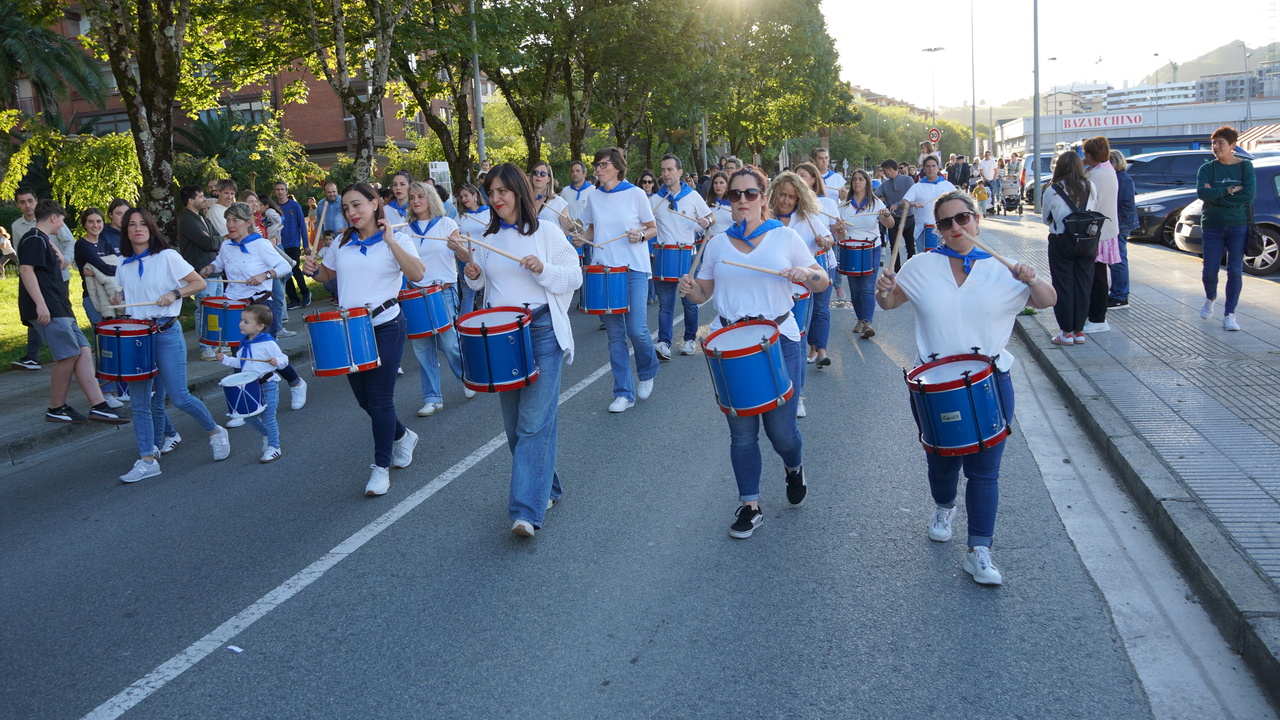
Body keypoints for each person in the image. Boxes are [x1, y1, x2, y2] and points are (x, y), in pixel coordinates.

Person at [876, 190, 1056, 585]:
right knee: (941, 463)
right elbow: (888, 303)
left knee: (985, 472)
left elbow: (1047, 301)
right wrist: (883, 287)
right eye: (946, 222)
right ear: (937, 229)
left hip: (990, 382)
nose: (956, 227)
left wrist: (1032, 277)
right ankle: (944, 506)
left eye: (963, 218)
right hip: (935, 386)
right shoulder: (922, 266)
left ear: (977, 219)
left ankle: (979, 550)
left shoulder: (1003, 267)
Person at [678, 167, 828, 539]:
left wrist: (804, 274)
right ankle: (750, 505)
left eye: (750, 193)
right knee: (742, 433)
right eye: (734, 194)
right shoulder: (717, 243)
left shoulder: (784, 236)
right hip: (731, 343)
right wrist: (690, 290)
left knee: (782, 433)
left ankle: (794, 467)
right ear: (728, 200)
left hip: (780, 339)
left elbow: (821, 280)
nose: (742, 200)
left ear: (763, 197)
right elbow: (704, 293)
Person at [448, 162, 582, 538]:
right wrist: (473, 275)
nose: (495, 198)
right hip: (502, 337)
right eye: (491, 192)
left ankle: (525, 512)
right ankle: (547, 488)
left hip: (541, 331)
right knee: (515, 428)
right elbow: (483, 285)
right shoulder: (486, 236)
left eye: (502, 191)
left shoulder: (546, 232)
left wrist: (542, 270)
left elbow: (574, 276)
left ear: (518, 191)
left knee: (533, 423)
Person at [302, 183, 425, 497]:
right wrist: (313, 270)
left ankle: (380, 468)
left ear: (374, 203)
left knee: (381, 399)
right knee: (365, 401)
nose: (351, 212)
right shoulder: (342, 240)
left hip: (386, 324)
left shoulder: (397, 238)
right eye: (346, 208)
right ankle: (403, 436)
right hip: (350, 329)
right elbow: (327, 275)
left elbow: (417, 274)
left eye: (357, 204)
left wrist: (391, 243)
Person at [114, 207, 231, 483]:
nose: (138, 229)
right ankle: (147, 460)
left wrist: (174, 293)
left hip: (166, 332)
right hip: (137, 337)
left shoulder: (167, 256)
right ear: (126, 231)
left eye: (143, 224)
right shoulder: (123, 263)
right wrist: (119, 301)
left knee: (179, 397)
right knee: (139, 403)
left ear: (151, 228)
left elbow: (198, 283)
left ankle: (215, 432)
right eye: (132, 225)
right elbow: (124, 296)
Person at [16, 200, 130, 426]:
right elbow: (26, 270)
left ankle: (99, 406)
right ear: (53, 217)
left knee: (83, 350)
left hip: (61, 307)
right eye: (61, 220)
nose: (62, 225)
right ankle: (56, 408)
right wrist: (40, 305)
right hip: (50, 308)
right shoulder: (33, 238)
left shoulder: (45, 240)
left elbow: (49, 270)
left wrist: (60, 259)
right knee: (68, 355)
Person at [200, 201, 309, 415]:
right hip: (235, 307)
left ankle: (296, 383)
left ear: (247, 223)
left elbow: (285, 265)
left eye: (235, 220)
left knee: (266, 354)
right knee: (240, 355)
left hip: (260, 306)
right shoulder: (226, 245)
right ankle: (244, 403)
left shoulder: (261, 245)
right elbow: (220, 263)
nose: (230, 224)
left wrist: (264, 275)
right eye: (228, 220)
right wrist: (210, 268)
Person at [576, 146, 660, 413]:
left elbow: (652, 228)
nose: (598, 169)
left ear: (617, 167)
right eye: (596, 165)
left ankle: (647, 371)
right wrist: (581, 238)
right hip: (604, 270)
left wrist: (641, 236)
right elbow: (591, 229)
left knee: (637, 329)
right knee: (614, 335)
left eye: (603, 164)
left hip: (633, 268)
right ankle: (624, 392)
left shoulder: (636, 194)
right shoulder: (594, 196)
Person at [403, 180, 473, 416]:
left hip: (443, 291)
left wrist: (458, 247)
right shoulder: (405, 229)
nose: (416, 201)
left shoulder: (446, 224)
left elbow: (465, 257)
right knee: (422, 348)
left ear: (430, 198)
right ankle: (432, 397)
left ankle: (467, 377)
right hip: (415, 294)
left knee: (450, 343)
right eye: (412, 198)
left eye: (420, 196)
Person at [767, 172, 831, 421]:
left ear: (799, 198)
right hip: (771, 290)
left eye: (791, 197)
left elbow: (828, 240)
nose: (785, 201)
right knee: (769, 340)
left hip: (801, 290)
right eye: (782, 195)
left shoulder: (808, 219)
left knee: (797, 342)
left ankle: (799, 395)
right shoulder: (765, 218)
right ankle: (774, 392)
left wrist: (826, 241)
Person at [650, 154, 712, 360]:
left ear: (679, 172)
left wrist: (706, 221)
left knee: (689, 302)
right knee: (666, 304)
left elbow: (711, 216)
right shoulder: (656, 199)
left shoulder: (692, 196)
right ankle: (664, 343)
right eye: (663, 170)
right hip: (664, 255)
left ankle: (689, 339)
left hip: (687, 255)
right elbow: (645, 223)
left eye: (669, 169)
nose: (665, 174)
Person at [1197, 125, 1256, 331]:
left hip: (1238, 225)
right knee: (1209, 271)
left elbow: (1248, 195)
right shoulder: (1207, 169)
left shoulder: (1245, 167)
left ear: (1232, 145)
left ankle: (1229, 314)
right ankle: (1210, 297)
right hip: (1212, 225)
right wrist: (1230, 189)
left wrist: (1216, 195)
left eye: (1220, 143)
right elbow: (1202, 194)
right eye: (1213, 143)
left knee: (1235, 271)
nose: (1216, 146)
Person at [10, 187, 73, 372]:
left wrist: (65, 260)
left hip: (58, 276)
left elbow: (69, 241)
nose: (27, 205)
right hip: (36, 277)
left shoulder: (52, 218)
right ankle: (33, 356)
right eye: (22, 202)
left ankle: (67, 350)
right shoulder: (17, 226)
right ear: (17, 205)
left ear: (36, 201)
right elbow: (22, 257)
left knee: (62, 317)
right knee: (39, 314)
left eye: (30, 200)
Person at [216, 304, 287, 463]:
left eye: (246, 322)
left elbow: (284, 359)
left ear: (260, 326)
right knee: (248, 417)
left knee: (269, 418)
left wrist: (277, 361)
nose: (241, 324)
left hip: (268, 384)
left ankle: (274, 447)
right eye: (241, 320)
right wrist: (224, 359)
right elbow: (240, 362)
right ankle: (268, 433)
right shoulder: (244, 344)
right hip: (251, 387)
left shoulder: (268, 343)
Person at [1043, 152, 1099, 346]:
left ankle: (1066, 333)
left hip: (1061, 241)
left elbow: (1046, 218)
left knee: (1063, 285)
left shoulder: (1052, 190)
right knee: (1084, 285)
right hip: (1087, 241)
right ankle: (1079, 331)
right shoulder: (1091, 186)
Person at [837, 169, 894, 339]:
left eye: (861, 179)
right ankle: (861, 320)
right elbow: (838, 233)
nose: (857, 182)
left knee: (867, 287)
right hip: (850, 249)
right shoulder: (843, 206)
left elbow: (890, 224)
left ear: (867, 182)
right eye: (855, 179)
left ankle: (868, 322)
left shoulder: (876, 204)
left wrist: (887, 215)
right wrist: (840, 229)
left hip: (871, 248)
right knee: (855, 289)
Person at [176, 184, 223, 360]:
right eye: (201, 196)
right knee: (204, 310)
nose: (204, 199)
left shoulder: (202, 218)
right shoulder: (187, 220)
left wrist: (214, 240)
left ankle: (216, 343)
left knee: (217, 310)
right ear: (190, 200)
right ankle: (206, 346)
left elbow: (219, 237)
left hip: (215, 270)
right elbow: (208, 243)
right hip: (201, 272)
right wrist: (213, 240)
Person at [1082, 136, 1119, 335]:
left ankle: (1098, 319)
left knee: (1097, 277)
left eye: (1085, 153)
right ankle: (1096, 317)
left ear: (1090, 154)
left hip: (1098, 232)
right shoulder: (1106, 169)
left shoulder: (1098, 174)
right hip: (1104, 230)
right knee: (1097, 275)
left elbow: (1084, 195)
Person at [900, 156, 956, 254]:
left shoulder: (948, 185)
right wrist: (912, 204)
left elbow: (959, 203)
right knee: (925, 259)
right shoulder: (917, 187)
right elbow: (903, 203)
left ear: (938, 168)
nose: (931, 169)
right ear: (924, 169)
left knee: (944, 258)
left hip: (944, 228)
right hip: (922, 230)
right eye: (928, 166)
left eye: (933, 166)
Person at [73, 207, 119, 326]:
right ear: (84, 224)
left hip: (112, 294)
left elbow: (116, 266)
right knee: (101, 334)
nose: (95, 225)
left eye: (99, 221)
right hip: (92, 297)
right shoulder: (81, 245)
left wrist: (97, 270)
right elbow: (105, 268)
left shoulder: (106, 244)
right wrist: (108, 269)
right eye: (91, 221)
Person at [271, 181, 311, 310]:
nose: (280, 192)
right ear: (275, 191)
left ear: (286, 191)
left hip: (293, 243)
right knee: (284, 271)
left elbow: (302, 226)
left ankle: (305, 292)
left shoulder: (294, 205)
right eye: (277, 189)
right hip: (280, 244)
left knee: (295, 268)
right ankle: (293, 299)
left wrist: (306, 245)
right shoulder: (274, 207)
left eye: (282, 189)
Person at [1107, 150, 1137, 310]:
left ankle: (1120, 296)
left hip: (1120, 225)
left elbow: (1127, 205)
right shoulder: (1118, 177)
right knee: (1115, 259)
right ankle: (1117, 293)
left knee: (1118, 259)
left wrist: (1116, 222)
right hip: (1118, 224)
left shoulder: (1123, 179)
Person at [455, 183, 490, 314]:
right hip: (466, 257)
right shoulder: (460, 216)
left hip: (485, 256)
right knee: (468, 294)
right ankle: (464, 324)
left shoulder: (489, 212)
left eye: (466, 195)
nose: (464, 199)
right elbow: (454, 235)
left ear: (475, 195)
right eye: (461, 197)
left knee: (488, 290)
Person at [704, 170, 734, 238]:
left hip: (730, 240)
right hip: (711, 241)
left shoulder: (734, 204)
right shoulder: (706, 204)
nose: (718, 186)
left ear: (727, 185)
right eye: (715, 183)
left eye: (721, 183)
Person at [316, 230, 339, 302]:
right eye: (326, 240)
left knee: (335, 284)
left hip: (334, 270)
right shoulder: (323, 250)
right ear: (324, 241)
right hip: (326, 270)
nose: (329, 241)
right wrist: (312, 256)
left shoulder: (336, 248)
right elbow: (318, 256)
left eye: (330, 239)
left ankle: (338, 297)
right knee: (326, 285)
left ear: (334, 240)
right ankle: (334, 294)